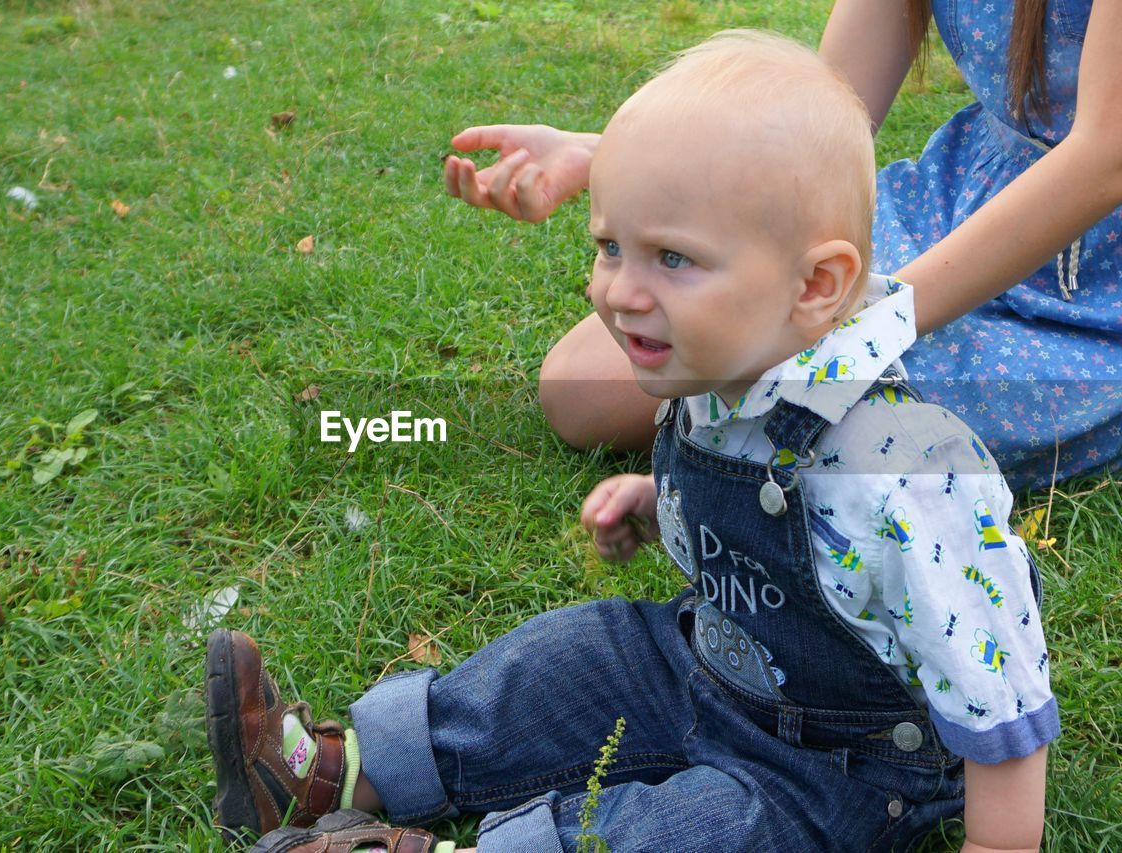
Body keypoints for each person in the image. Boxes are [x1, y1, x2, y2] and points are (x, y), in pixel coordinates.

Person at [205, 32, 1057, 852]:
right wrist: (659, 503)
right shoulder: (727, 366)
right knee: (572, 660)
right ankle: (334, 773)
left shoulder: (908, 468)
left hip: (840, 766)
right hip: (703, 663)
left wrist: (1001, 839)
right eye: (611, 246)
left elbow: (997, 674)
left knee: (691, 832)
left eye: (672, 259)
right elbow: (774, 513)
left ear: (816, 285)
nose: (617, 290)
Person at [444, 0, 1122, 493]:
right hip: (963, 200)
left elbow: (1105, 159)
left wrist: (870, 327)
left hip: (1096, 287)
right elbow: (818, 120)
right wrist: (617, 158)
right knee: (581, 388)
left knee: (821, 421)